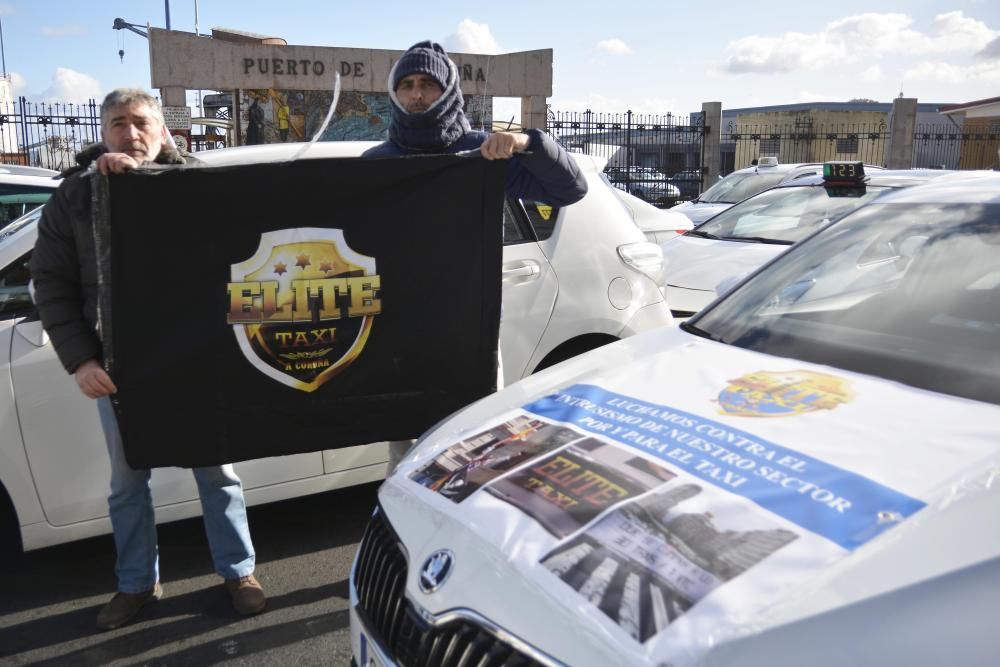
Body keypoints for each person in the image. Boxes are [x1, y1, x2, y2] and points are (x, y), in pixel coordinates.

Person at [29, 88, 266, 631]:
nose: (130, 133)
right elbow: (52, 282)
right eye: (118, 123)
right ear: (103, 131)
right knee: (128, 482)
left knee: (218, 473)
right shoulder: (74, 197)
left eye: (141, 122)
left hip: (197, 362)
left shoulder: (198, 185)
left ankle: (239, 572)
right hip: (119, 371)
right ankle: (136, 584)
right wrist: (80, 362)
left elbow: (245, 258)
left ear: (163, 132)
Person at [364, 41, 589, 471]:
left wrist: (525, 142)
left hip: (472, 333)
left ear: (448, 90)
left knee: (478, 454)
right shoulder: (377, 163)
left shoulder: (484, 155)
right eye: (407, 85)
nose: (416, 94)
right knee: (408, 460)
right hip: (397, 333)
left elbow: (570, 189)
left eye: (428, 84)